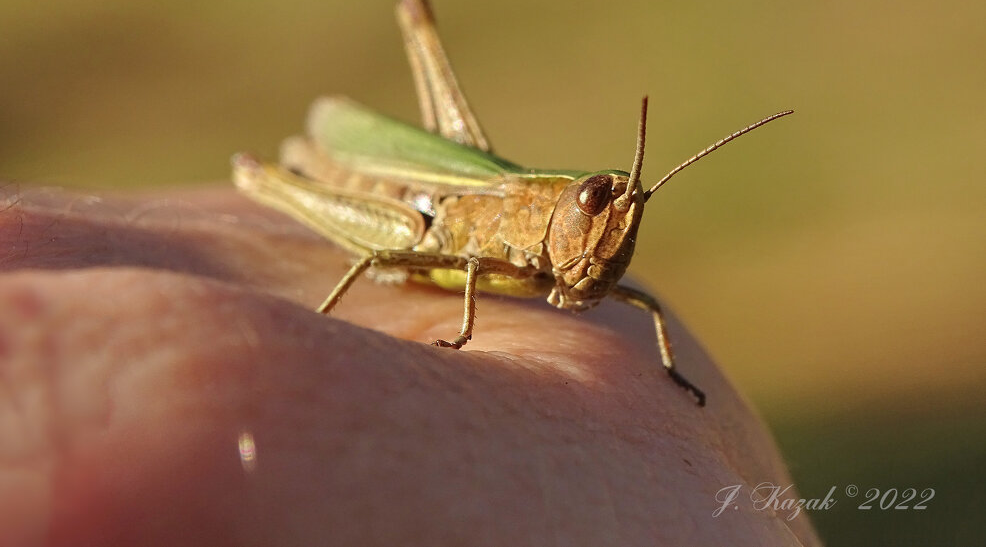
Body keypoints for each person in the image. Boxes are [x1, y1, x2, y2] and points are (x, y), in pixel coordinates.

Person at [0, 184, 821, 547]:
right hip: (415, 219)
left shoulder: (621, 293)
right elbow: (460, 267)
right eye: (598, 211)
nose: (611, 236)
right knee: (407, 252)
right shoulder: (496, 245)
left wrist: (671, 376)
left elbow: (631, 301)